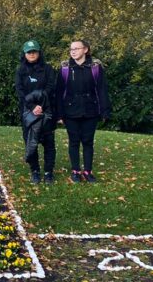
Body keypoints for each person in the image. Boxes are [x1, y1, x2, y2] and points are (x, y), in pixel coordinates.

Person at [56, 39, 111, 183]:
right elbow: (59, 92)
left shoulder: (95, 67)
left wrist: (104, 110)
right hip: (70, 110)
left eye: (76, 48)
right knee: (74, 141)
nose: (73, 51)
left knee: (88, 141)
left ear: (85, 50)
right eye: (71, 49)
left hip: (90, 110)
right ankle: (75, 171)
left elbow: (101, 89)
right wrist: (59, 114)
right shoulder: (65, 67)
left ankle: (87, 171)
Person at [15, 39, 57, 184]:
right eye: (29, 52)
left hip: (46, 111)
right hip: (28, 112)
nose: (32, 54)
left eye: (34, 51)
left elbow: (51, 87)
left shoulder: (48, 69)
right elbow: (20, 91)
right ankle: (35, 171)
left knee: (49, 144)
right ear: (25, 54)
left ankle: (48, 173)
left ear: (39, 52)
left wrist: (41, 105)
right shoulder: (21, 70)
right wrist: (33, 107)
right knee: (30, 143)